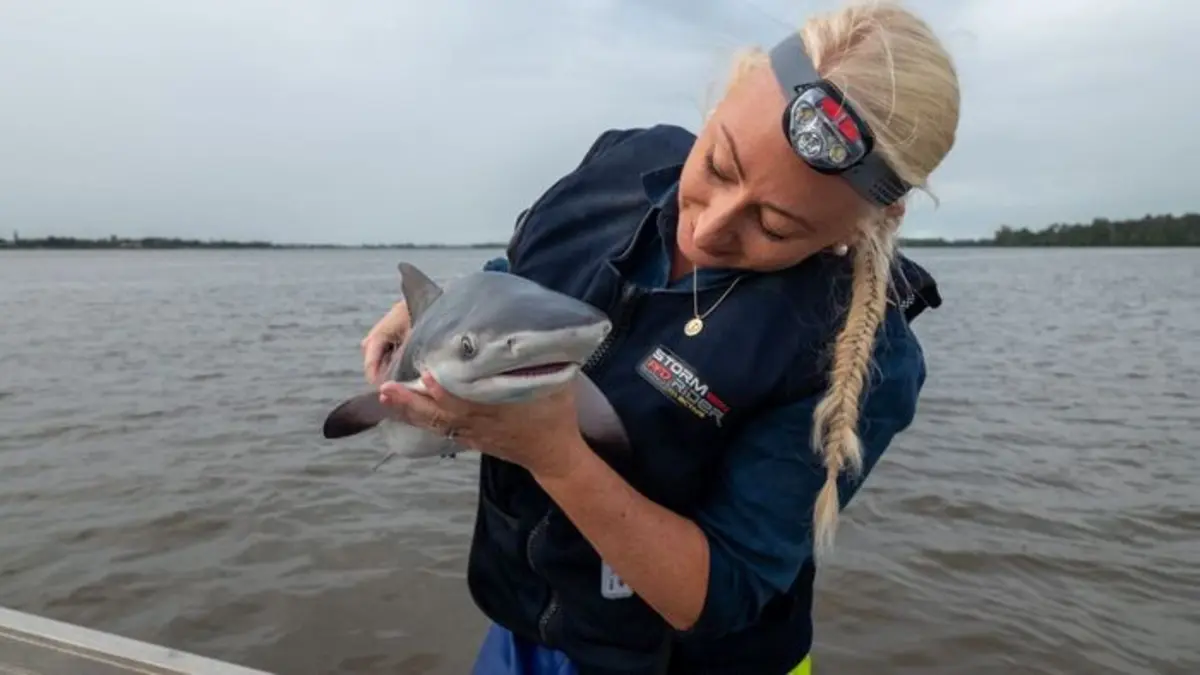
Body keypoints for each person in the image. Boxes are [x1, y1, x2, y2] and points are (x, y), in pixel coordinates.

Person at [361, 2, 959, 673]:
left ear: (860, 226)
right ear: (730, 94)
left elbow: (724, 591)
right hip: (523, 633)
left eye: (776, 227)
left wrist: (556, 457)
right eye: (719, 165)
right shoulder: (625, 159)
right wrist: (440, 311)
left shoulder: (862, 353)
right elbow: (532, 270)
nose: (708, 230)